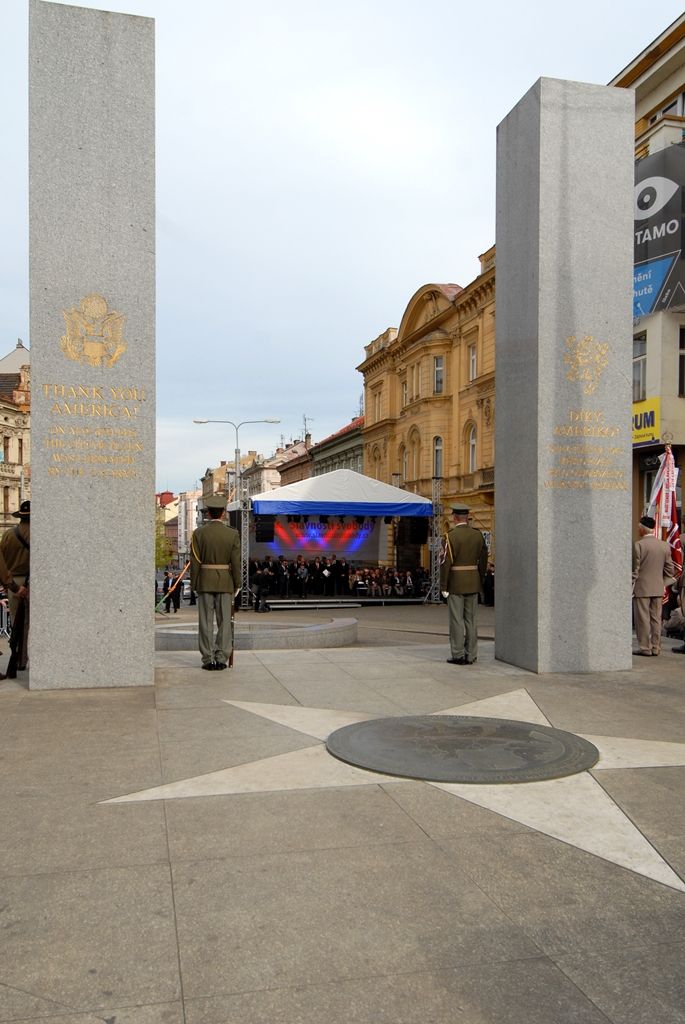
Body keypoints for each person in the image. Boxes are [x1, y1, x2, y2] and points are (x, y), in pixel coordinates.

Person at [190, 494, 241, 670]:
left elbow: (195, 561)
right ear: (223, 513)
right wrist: (237, 583)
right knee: (225, 622)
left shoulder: (198, 533)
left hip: (205, 581)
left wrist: (195, 583)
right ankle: (221, 658)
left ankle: (207, 658)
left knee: (205, 621)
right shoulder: (232, 534)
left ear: (209, 513)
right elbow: (236, 561)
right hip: (226, 582)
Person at [440, 504, 487, 665]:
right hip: (473, 581)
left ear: (454, 518)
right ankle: (471, 654)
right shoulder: (478, 535)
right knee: (471, 620)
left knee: (456, 620)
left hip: (455, 583)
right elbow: (483, 562)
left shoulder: (449, 536)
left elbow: (445, 563)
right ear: (468, 518)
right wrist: (480, 579)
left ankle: (458, 654)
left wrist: (443, 586)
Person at [633, 514, 678, 656]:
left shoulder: (638, 545)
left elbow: (635, 569)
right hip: (658, 587)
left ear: (642, 529)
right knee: (656, 619)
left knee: (643, 619)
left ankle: (645, 647)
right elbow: (670, 569)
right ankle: (656, 647)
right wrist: (662, 581)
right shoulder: (664, 545)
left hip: (641, 587)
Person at [0, 499, 30, 674]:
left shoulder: (8, 534)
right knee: (26, 624)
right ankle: (22, 660)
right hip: (30, 582)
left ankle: (16, 655)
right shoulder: (37, 533)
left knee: (15, 622)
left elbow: (2, 563)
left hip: (12, 584)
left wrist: (9, 584)